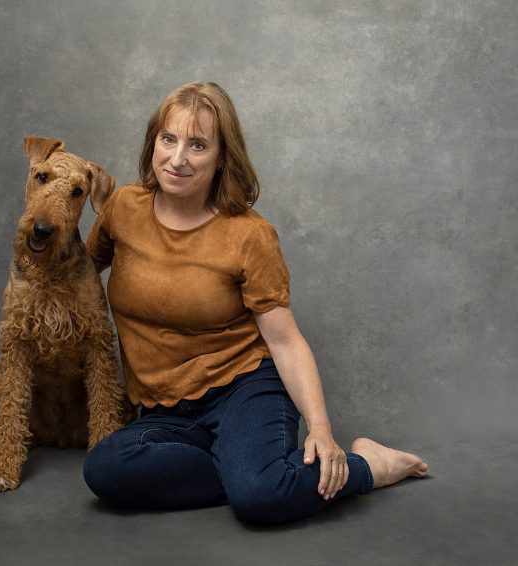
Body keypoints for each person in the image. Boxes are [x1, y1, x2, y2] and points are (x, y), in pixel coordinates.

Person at [82, 82, 428, 523]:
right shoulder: (123, 208)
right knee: (105, 470)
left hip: (244, 388)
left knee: (260, 499)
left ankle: (369, 467)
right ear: (153, 142)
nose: (177, 158)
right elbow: (78, 274)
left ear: (222, 156)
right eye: (168, 139)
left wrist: (321, 427)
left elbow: (285, 341)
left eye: (198, 145)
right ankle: (249, 469)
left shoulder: (249, 234)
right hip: (165, 410)